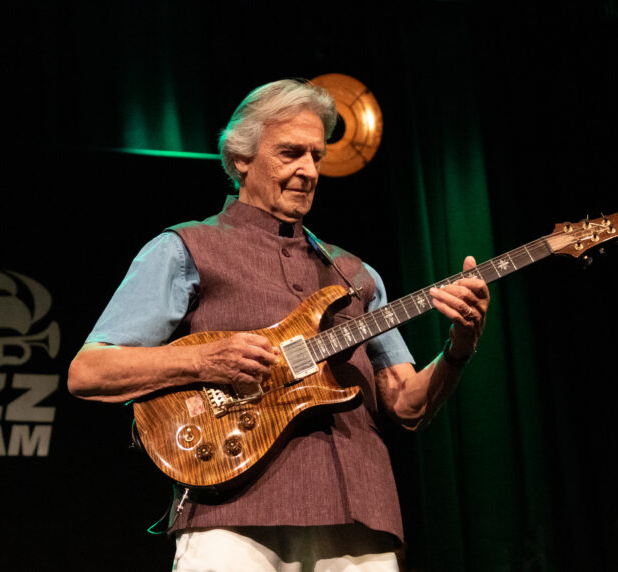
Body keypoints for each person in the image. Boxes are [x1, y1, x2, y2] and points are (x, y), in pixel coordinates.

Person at [67, 79, 489, 571]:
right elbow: (89, 372)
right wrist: (204, 360)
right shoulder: (184, 248)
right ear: (240, 158)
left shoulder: (356, 275)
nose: (308, 170)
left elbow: (407, 406)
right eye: (290, 153)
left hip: (360, 520)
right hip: (231, 516)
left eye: (316, 156)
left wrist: (459, 346)